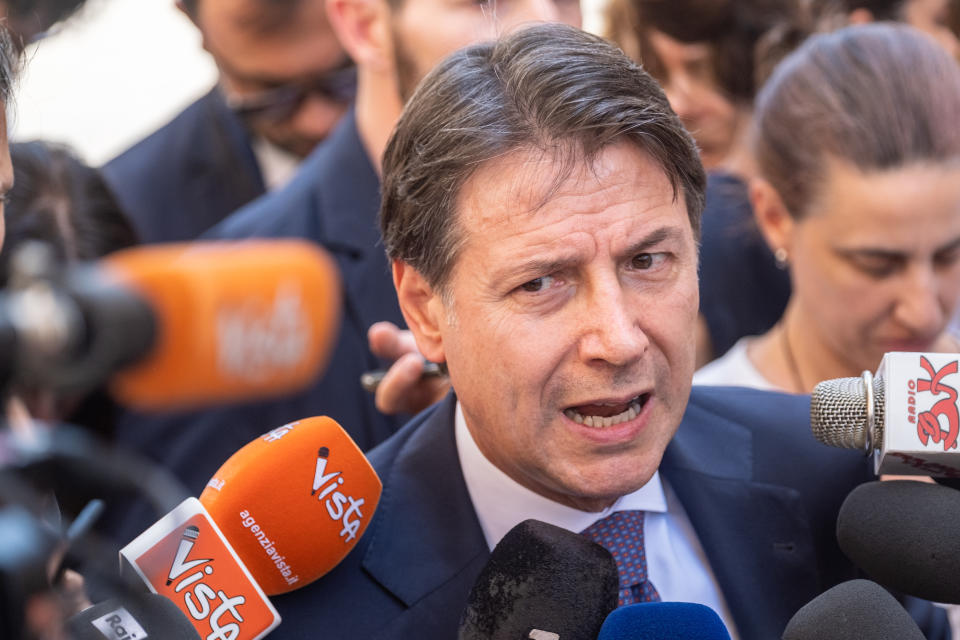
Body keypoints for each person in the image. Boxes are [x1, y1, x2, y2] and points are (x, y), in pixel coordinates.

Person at [264, 24, 878, 639]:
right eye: (540, 283)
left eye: (646, 262)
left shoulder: (828, 478)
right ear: (425, 309)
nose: (618, 340)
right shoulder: (311, 608)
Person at [108, 0, 581, 526]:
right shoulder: (235, 293)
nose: (547, 23)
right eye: (482, 2)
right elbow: (184, 581)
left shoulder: (673, 208)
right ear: (363, 22)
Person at [694, 23, 960, 392]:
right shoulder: (700, 432)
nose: (924, 313)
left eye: (948, 256)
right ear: (775, 219)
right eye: (877, 266)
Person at [101, 0, 353, 244]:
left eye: (345, 75)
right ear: (192, 20)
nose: (319, 123)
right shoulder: (128, 213)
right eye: (273, 96)